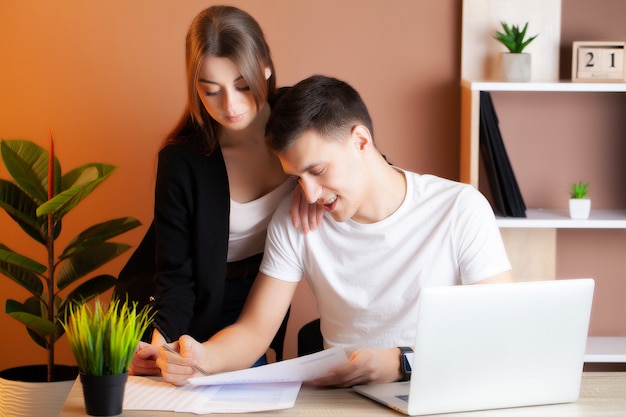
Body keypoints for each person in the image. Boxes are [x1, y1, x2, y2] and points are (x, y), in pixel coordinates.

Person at [156, 75, 513, 387]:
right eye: (297, 178)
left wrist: (400, 362)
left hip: (441, 388)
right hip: (344, 400)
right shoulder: (297, 219)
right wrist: (199, 357)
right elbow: (254, 331)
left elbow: (498, 331)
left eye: (318, 170)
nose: (309, 193)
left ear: (361, 142)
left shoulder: (459, 208)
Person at [114, 6, 321, 376]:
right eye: (211, 91)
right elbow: (176, 277)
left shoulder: (302, 118)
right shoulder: (182, 160)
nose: (231, 106)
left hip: (255, 295)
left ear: (266, 68)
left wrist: (320, 193)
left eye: (243, 86)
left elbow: (361, 163)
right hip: (176, 301)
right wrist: (161, 349)